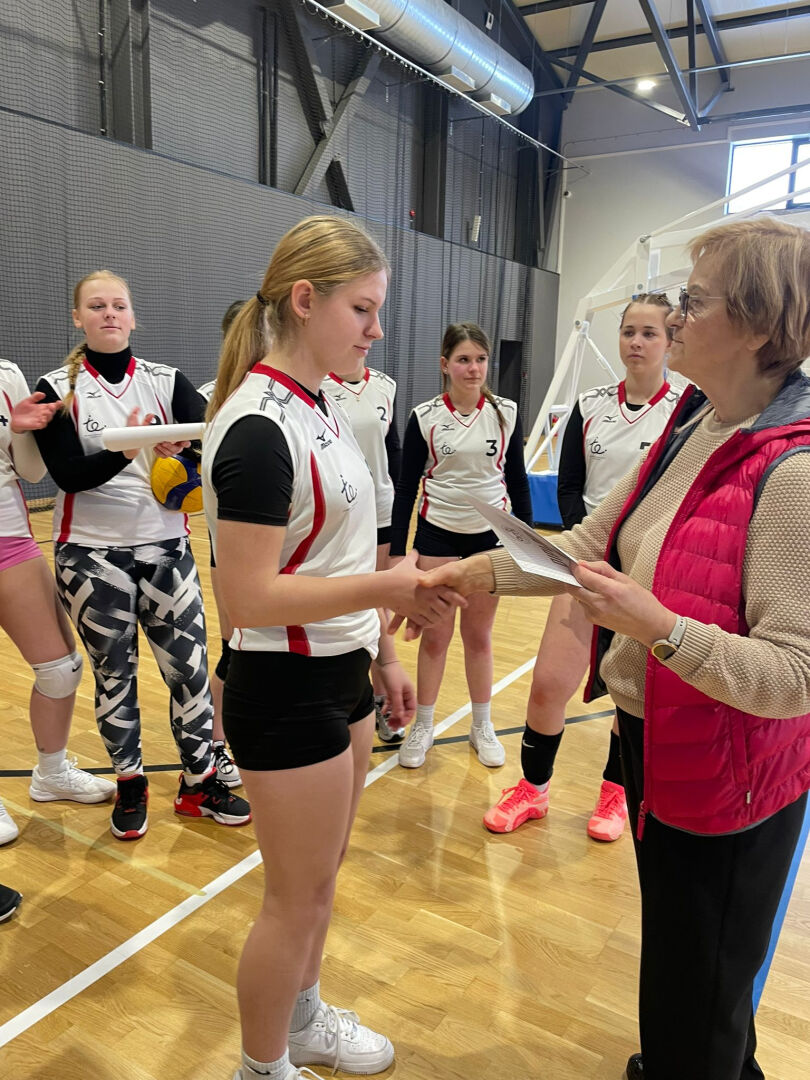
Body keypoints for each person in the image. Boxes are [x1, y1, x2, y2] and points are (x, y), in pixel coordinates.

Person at [418, 217, 810, 1080]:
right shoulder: (697, 422)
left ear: (756, 326)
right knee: (689, 973)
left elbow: (794, 677)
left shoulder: (795, 473)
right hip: (661, 739)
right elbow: (586, 547)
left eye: (693, 302)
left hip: (732, 774)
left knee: (700, 979)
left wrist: (656, 627)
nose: (673, 319)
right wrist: (466, 574)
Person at [201, 214, 460, 1080]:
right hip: (283, 685)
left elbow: (339, 557)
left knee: (320, 881)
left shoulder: (320, 404)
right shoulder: (257, 427)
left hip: (339, 673)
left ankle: (304, 1022)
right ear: (305, 300)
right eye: (363, 308)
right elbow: (247, 597)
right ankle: (260, 1067)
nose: (377, 329)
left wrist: (383, 655)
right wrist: (390, 592)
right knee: (293, 898)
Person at [33, 270, 250, 841]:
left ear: (133, 317)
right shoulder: (56, 389)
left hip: (166, 549)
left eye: (118, 305)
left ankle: (199, 782)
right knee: (114, 676)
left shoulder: (166, 380)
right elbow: (68, 475)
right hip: (89, 556)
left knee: (190, 673)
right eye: (96, 306)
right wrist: (131, 447)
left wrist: (183, 453)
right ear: (77, 318)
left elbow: (210, 442)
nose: (109, 314)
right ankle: (130, 784)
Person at [484, 294, 681, 841]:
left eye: (649, 333)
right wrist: (586, 554)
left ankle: (615, 793)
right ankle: (533, 788)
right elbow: (569, 486)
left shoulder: (686, 410)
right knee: (549, 684)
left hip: (645, 574)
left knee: (629, 695)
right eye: (628, 331)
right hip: (586, 568)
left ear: (670, 341)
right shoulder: (590, 405)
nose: (636, 342)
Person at [390, 322, 533, 769]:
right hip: (438, 534)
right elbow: (406, 486)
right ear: (445, 365)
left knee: (479, 636)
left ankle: (481, 725)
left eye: (481, 359)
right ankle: (423, 725)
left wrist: (527, 541)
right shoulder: (425, 417)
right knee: (435, 636)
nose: (473, 368)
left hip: (490, 538)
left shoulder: (506, 413)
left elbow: (518, 479)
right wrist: (397, 552)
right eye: (463, 360)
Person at [0, 360, 116, 848]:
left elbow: (31, 470)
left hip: (8, 536)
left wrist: (19, 431)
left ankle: (51, 774)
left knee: (60, 668)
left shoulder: (6, 375)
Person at [322, 357, 403, 741]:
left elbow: (393, 449)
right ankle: (355, 697)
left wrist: (399, 506)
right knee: (353, 602)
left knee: (377, 600)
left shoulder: (385, 385)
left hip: (380, 507)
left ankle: (381, 699)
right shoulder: (319, 385)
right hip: (343, 508)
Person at [198, 299, 247, 787]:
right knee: (236, 647)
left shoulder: (286, 394)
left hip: (288, 544)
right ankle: (216, 743)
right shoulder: (207, 399)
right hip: (229, 545)